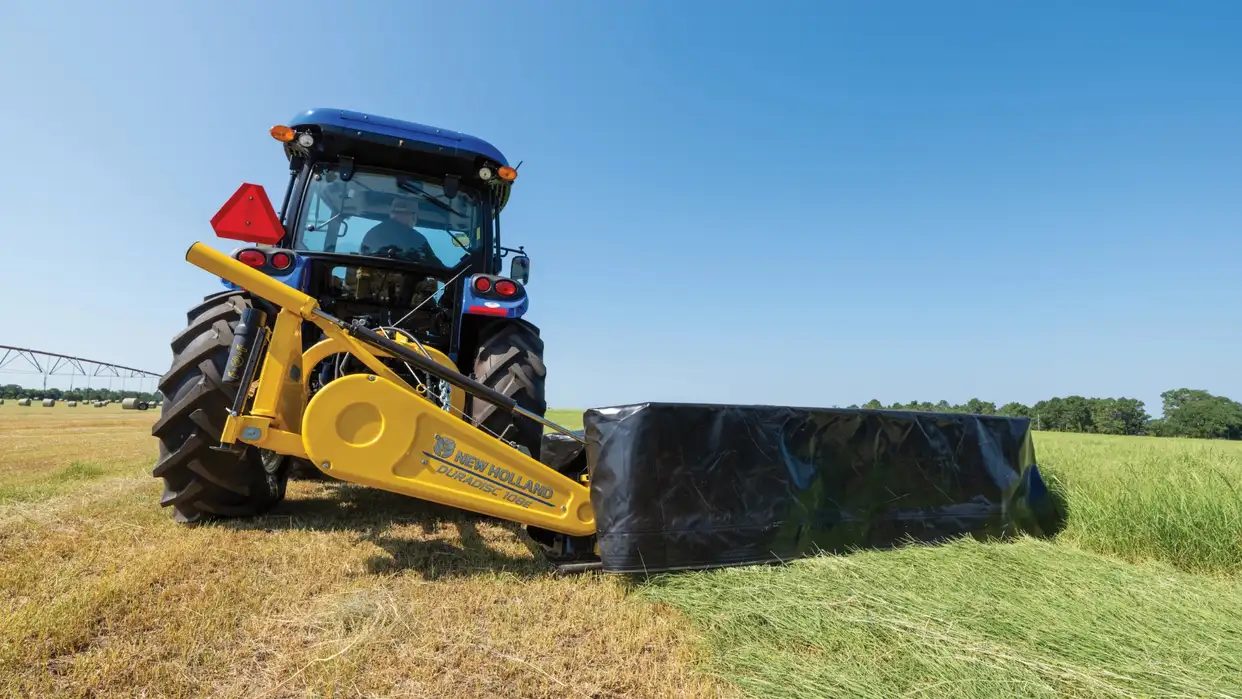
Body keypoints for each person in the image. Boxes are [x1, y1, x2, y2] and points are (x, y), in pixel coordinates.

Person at [359, 197, 436, 261]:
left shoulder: (372, 234)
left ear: (391, 214)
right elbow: (435, 266)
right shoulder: (416, 239)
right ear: (413, 217)